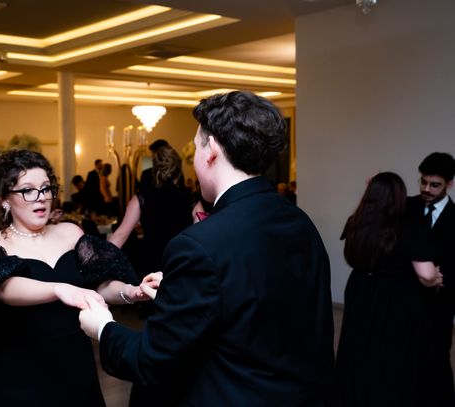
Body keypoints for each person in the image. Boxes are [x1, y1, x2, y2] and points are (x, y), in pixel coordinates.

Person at [79, 91, 335, 405]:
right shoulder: (300, 222)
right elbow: (260, 303)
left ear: (211, 150)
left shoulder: (198, 244)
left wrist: (103, 328)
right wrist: (182, 293)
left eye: (197, 146)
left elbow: (151, 361)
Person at [0, 149, 151, 407]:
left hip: (76, 364)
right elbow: (6, 288)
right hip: (21, 373)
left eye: (46, 188)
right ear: (4, 199)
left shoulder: (70, 232)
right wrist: (60, 289)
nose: (41, 197)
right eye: (28, 190)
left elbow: (99, 285)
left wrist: (130, 291)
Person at [335, 172, 442, 407]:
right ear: (399, 198)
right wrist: (436, 279)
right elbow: (426, 274)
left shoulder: (356, 221)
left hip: (360, 289)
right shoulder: (405, 228)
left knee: (359, 345)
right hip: (395, 296)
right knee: (390, 351)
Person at [405, 152, 455, 406]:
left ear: (449, 184)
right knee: (404, 357)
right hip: (405, 299)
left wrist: (444, 281)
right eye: (423, 182)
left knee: (437, 360)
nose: (426, 189)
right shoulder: (406, 206)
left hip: (440, 304)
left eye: (434, 184)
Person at [109, 145, 192, 277]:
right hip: (180, 269)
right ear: (179, 172)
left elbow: (120, 235)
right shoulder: (191, 200)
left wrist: (95, 262)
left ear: (155, 170)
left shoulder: (141, 198)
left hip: (149, 271)